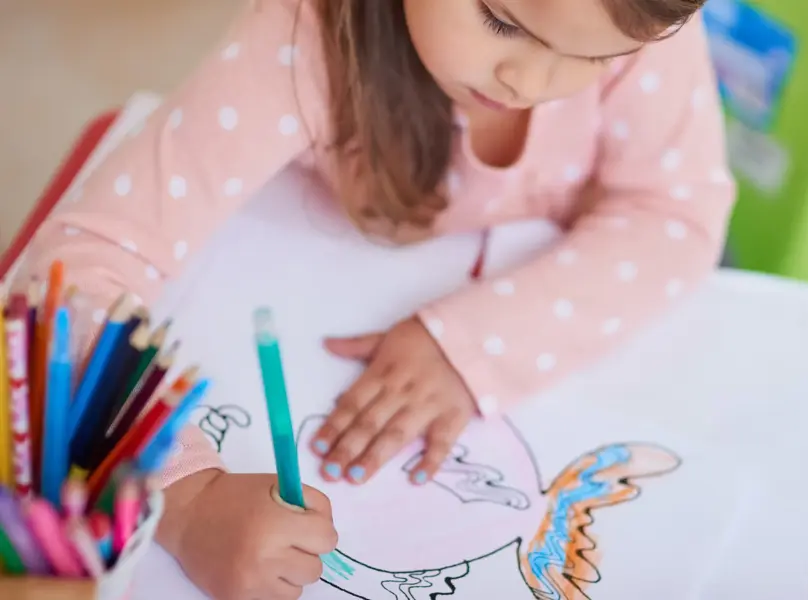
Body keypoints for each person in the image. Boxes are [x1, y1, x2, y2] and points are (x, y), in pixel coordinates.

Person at [18, 0, 734, 597]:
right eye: (502, 21)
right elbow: (74, 276)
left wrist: (476, 345)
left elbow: (675, 214)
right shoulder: (304, 38)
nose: (530, 80)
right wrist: (184, 495)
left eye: (595, 57)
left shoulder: (652, 25)